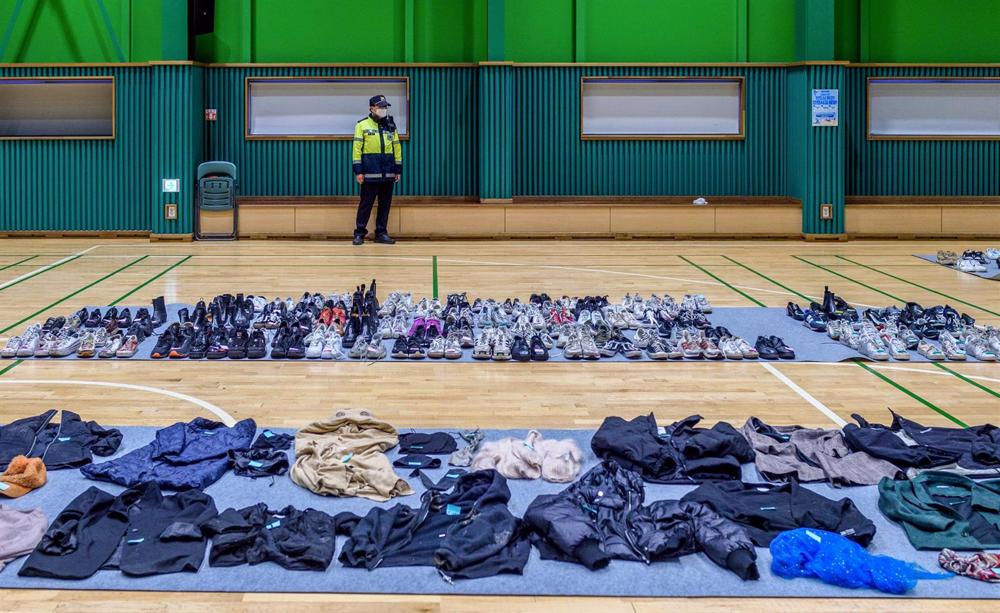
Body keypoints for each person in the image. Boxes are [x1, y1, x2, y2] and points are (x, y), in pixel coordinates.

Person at [352, 94, 402, 245]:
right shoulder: (362, 125)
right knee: (366, 204)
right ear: (371, 108)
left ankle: (381, 233)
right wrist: (358, 171)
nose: (383, 109)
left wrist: (397, 169)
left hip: (388, 173)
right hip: (369, 173)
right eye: (380, 107)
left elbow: (397, 148)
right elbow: (357, 149)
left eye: (385, 107)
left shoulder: (391, 125)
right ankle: (360, 233)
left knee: (385, 205)